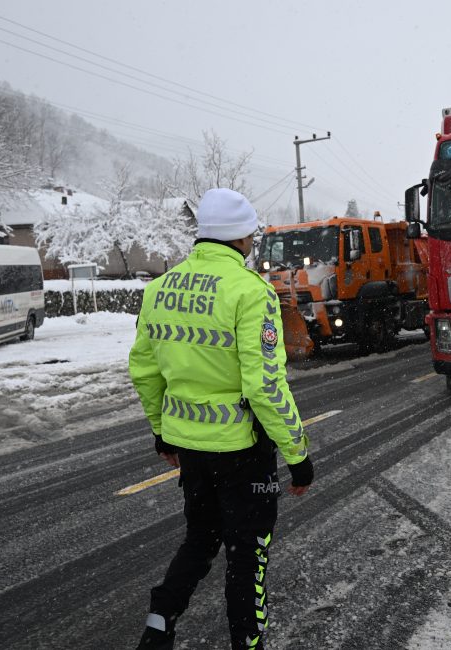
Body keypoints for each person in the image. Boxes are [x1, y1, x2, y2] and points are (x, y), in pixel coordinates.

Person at [129, 188, 313, 650]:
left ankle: (159, 625)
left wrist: (161, 433)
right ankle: (246, 642)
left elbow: (145, 371)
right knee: (247, 555)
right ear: (243, 238)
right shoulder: (251, 292)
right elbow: (265, 385)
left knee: (199, 538)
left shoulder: (159, 289)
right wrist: (297, 454)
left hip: (189, 447)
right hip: (242, 452)